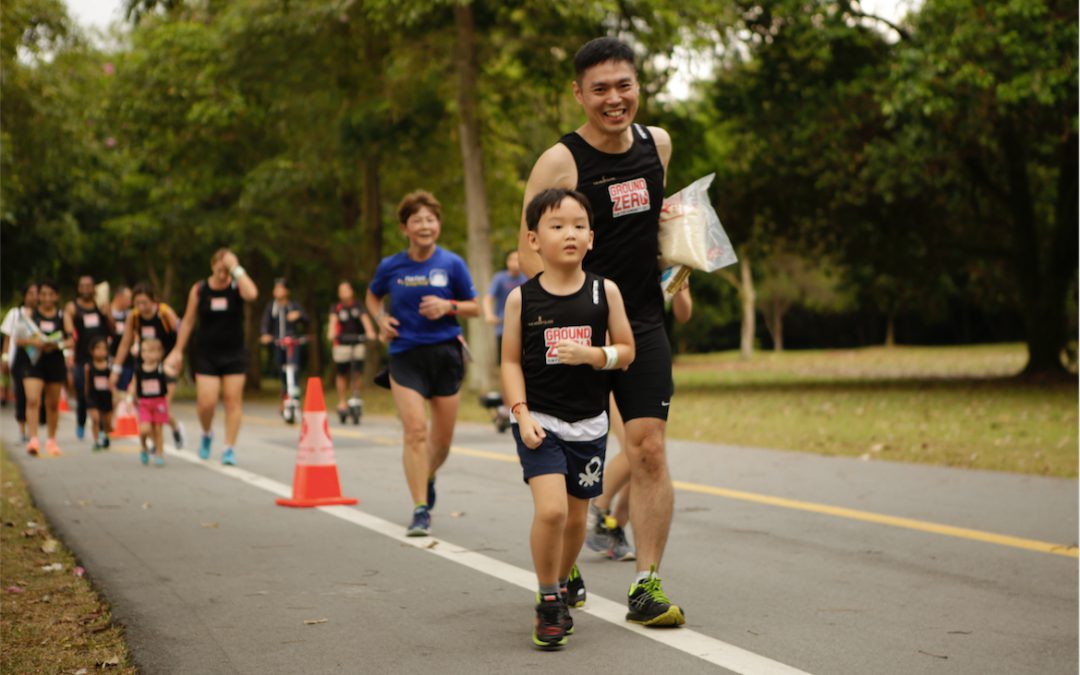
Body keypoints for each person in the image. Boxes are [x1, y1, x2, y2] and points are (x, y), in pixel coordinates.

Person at [518, 37, 685, 626]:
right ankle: (564, 568)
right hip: (574, 328)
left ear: (638, 85)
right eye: (600, 89)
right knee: (573, 460)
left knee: (649, 448)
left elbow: (658, 226)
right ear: (578, 94)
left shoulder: (657, 145)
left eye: (624, 86)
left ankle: (646, 583)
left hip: (641, 320)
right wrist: (557, 321)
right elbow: (528, 250)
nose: (614, 99)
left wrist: (679, 274)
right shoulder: (559, 163)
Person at [503, 188, 635, 648]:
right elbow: (510, 363)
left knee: (577, 520)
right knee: (553, 511)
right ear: (534, 239)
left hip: (589, 425)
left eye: (579, 225)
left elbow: (627, 351)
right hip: (540, 421)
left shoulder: (605, 291)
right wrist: (520, 414)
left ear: (592, 237)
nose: (570, 234)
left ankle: (560, 584)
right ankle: (547, 601)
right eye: (557, 226)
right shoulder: (522, 299)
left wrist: (594, 355)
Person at [366, 190, 479, 537]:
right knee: (415, 431)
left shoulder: (452, 264)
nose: (425, 226)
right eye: (417, 220)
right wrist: (381, 320)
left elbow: (475, 307)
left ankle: (427, 476)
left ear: (438, 225)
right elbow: (372, 296)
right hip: (405, 355)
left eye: (431, 219)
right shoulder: (391, 266)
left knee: (441, 444)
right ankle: (419, 509)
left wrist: (449, 307)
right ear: (405, 228)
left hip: (445, 355)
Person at [586, 282, 693, 561]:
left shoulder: (663, 264)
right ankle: (597, 510)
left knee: (649, 455)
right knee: (635, 451)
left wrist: (680, 286)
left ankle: (613, 527)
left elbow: (684, 314)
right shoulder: (605, 280)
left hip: (650, 360)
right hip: (615, 361)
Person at [164, 248, 258, 466]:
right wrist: (178, 350)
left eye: (227, 270)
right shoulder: (200, 289)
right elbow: (188, 322)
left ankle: (229, 448)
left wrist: (236, 268)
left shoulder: (237, 286)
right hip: (207, 353)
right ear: (212, 266)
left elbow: (252, 294)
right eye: (220, 270)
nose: (223, 275)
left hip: (234, 353)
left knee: (232, 401)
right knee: (207, 403)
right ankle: (207, 433)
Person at [110, 282, 186, 449]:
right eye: (137, 303)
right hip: (144, 367)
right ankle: (155, 443)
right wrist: (116, 369)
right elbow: (125, 343)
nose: (141, 307)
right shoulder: (134, 317)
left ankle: (175, 428)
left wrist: (177, 354)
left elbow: (183, 333)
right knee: (145, 407)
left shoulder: (164, 313)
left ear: (153, 300)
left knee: (161, 407)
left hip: (165, 366)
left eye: (145, 302)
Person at [20, 280, 70, 456]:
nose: (47, 298)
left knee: (53, 404)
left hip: (55, 360)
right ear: (38, 296)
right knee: (33, 400)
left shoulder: (63, 315)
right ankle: (33, 439)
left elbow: (71, 339)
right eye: (43, 294)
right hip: (34, 361)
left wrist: (56, 344)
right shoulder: (29, 314)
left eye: (51, 294)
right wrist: (34, 342)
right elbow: (18, 339)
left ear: (56, 296)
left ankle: (51, 439)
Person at [64, 275, 114, 441]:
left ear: (94, 288)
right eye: (82, 286)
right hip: (81, 358)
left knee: (102, 392)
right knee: (82, 392)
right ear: (78, 288)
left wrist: (108, 314)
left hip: (101, 359)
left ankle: (102, 427)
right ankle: (81, 420)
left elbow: (113, 330)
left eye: (89, 286)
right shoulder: (73, 307)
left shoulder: (101, 306)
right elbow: (68, 328)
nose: (85, 289)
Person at [1, 282, 45, 441]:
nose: (34, 296)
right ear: (24, 295)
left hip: (39, 359)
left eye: (36, 293)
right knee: (21, 394)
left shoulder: (42, 314)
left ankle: (33, 429)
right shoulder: (15, 314)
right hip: (20, 359)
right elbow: (7, 338)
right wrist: (5, 357)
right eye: (31, 293)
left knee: (34, 397)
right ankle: (22, 429)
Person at [327, 281, 375, 421]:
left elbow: (365, 320)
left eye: (346, 289)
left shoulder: (358, 305)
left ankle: (355, 395)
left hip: (357, 342)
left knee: (356, 372)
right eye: (341, 290)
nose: (344, 293)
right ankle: (342, 401)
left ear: (351, 291)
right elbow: (332, 322)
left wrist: (370, 332)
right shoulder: (336, 307)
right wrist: (331, 333)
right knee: (342, 373)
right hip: (341, 344)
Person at [259, 278, 308, 407]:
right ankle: (285, 394)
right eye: (275, 288)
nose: (277, 291)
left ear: (287, 291)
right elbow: (265, 323)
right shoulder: (272, 307)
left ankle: (295, 396)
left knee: (294, 368)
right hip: (278, 343)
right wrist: (265, 334)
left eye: (280, 288)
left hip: (292, 343)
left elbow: (306, 320)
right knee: (281, 370)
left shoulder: (293, 306)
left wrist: (299, 315)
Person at [483, 250, 528, 364]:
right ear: (508, 262)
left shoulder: (527, 278)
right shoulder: (500, 278)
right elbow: (488, 298)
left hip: (525, 327)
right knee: (506, 362)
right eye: (513, 259)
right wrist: (489, 314)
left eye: (518, 259)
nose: (516, 262)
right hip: (503, 328)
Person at [132, 337, 169, 467]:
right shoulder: (138, 370)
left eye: (151, 351)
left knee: (158, 429)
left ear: (160, 353)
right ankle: (144, 446)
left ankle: (159, 453)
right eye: (144, 351)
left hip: (159, 403)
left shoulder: (161, 368)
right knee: (145, 429)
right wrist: (130, 398)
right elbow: (133, 385)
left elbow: (171, 373)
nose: (147, 354)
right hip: (144, 403)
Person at [84, 336, 114, 451]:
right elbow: (87, 383)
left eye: (103, 348)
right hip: (93, 396)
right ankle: (96, 441)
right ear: (92, 351)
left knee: (107, 422)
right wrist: (86, 398)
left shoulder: (110, 366)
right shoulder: (89, 367)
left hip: (106, 396)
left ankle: (106, 435)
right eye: (98, 348)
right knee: (95, 418)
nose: (101, 351)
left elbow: (113, 383)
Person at [109, 286, 135, 392]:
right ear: (119, 297)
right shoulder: (105, 313)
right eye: (129, 298)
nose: (131, 301)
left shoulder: (130, 315)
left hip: (127, 362)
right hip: (108, 361)